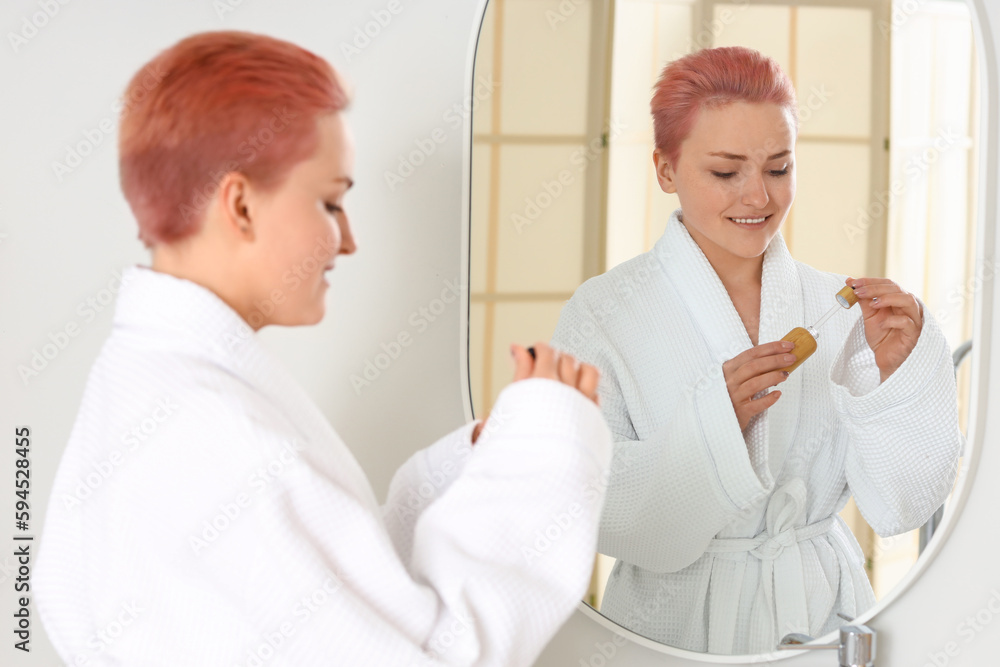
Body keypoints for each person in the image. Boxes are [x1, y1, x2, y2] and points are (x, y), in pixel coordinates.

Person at [34, 30, 613, 666]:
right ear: (242, 205)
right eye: (331, 201)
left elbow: (331, 598)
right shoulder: (218, 436)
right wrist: (543, 461)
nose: (348, 240)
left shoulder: (150, 388)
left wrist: (485, 459)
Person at [550, 46, 964, 654]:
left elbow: (899, 503)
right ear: (665, 170)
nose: (758, 198)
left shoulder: (832, 306)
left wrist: (897, 380)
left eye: (779, 168)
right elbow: (587, 501)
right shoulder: (604, 312)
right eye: (725, 172)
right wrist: (717, 425)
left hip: (821, 613)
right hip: (673, 624)